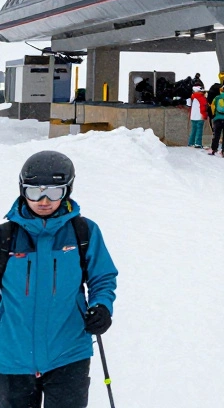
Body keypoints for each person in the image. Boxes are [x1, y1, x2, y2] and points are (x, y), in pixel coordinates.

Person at [0, 151, 118, 407]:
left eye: (54, 192)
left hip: (68, 354)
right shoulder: (5, 237)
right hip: (11, 356)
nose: (43, 200)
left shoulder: (83, 232)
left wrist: (102, 307)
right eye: (34, 192)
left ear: (67, 191)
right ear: (23, 190)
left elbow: (103, 277)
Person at [206, 84, 224, 157]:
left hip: (217, 119)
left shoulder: (217, 97)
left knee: (216, 135)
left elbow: (212, 107)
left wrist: (214, 114)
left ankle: (214, 149)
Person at [186, 84, 208, 148]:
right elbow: (203, 108)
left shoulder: (192, 97)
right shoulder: (202, 98)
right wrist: (205, 115)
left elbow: (189, 106)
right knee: (199, 130)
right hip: (200, 116)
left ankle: (191, 142)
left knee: (193, 130)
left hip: (193, 116)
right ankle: (198, 143)